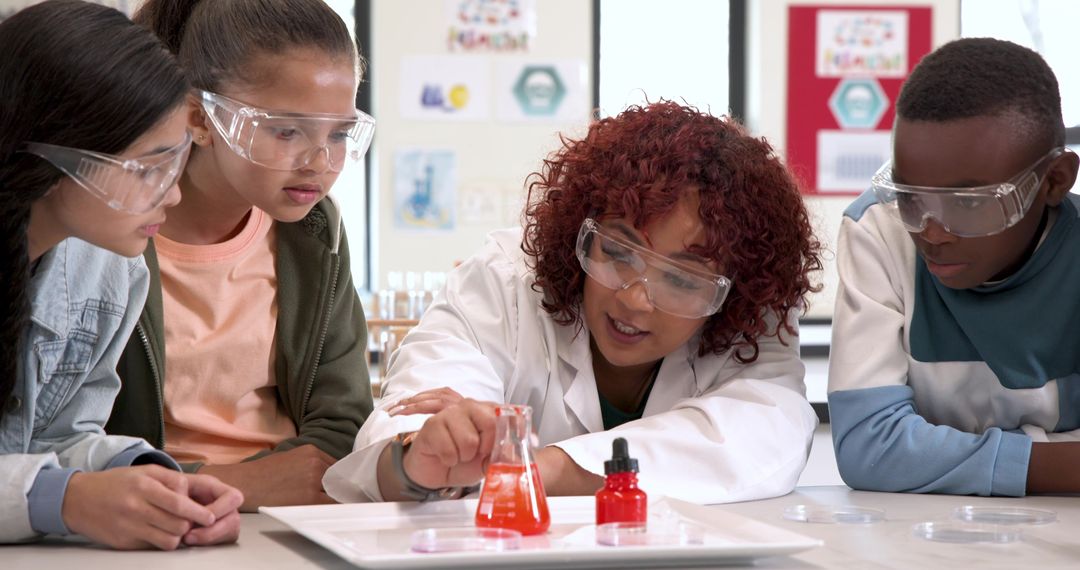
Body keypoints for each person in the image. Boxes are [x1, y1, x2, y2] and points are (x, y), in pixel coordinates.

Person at [324, 101, 823, 503]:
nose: (634, 299)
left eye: (683, 278)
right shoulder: (507, 282)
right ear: (581, 231)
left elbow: (768, 431)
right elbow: (414, 414)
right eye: (619, 251)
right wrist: (423, 458)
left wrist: (537, 467)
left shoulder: (749, 316)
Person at [105, 0, 375, 511]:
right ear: (199, 119)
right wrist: (235, 485)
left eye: (339, 134)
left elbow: (344, 422)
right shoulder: (108, 234)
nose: (320, 162)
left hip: (290, 516)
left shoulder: (315, 232)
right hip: (147, 514)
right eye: (286, 131)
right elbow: (66, 435)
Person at [0, 0, 242, 548]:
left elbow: (60, 436)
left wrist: (148, 477)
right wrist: (60, 499)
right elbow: (45, 481)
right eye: (148, 169)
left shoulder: (115, 270)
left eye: (175, 164)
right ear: (53, 157)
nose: (174, 193)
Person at [828, 38, 1080, 496]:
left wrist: (938, 457)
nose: (933, 232)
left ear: (1054, 181)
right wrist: (1059, 461)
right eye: (910, 197)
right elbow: (870, 447)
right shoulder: (879, 231)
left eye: (969, 202)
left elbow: (897, 452)